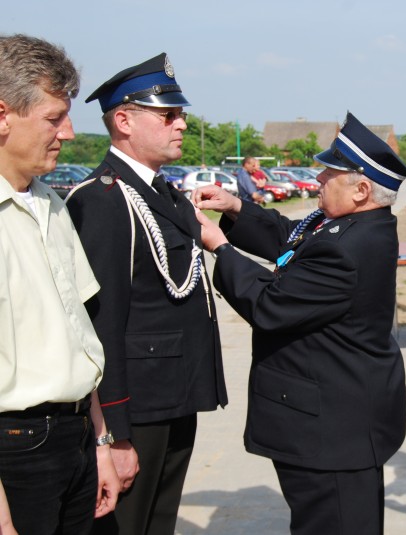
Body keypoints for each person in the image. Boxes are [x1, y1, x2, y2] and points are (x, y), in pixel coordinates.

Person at [191, 112, 406, 535]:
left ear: (361, 189)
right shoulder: (354, 226)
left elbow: (270, 305)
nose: (317, 179)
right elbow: (294, 238)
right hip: (336, 420)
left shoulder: (347, 249)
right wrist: (236, 206)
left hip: (330, 431)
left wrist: (220, 248)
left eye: (330, 173)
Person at [66, 53, 228, 535]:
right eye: (168, 115)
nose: (181, 124)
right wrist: (113, 431)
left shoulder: (166, 195)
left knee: (159, 523)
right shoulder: (103, 199)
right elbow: (100, 321)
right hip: (136, 405)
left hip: (174, 394)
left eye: (179, 114)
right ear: (123, 121)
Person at [0, 33, 120, 534]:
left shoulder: (49, 201)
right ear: (3, 115)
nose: (68, 133)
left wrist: (100, 444)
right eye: (53, 118)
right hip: (16, 449)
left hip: (74, 436)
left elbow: (78, 334)